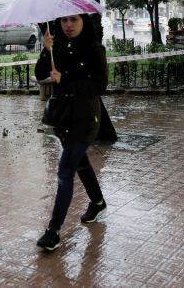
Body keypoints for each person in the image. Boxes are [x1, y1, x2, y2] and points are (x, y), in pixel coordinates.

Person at [34, 14, 109, 251]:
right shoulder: (58, 46)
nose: (68, 25)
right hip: (63, 116)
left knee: (66, 169)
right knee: (79, 162)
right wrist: (46, 50)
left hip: (86, 117)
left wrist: (64, 79)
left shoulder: (94, 49)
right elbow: (39, 74)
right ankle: (97, 202)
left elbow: (100, 85)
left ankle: (53, 230)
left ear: (83, 21)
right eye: (64, 20)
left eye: (73, 20)